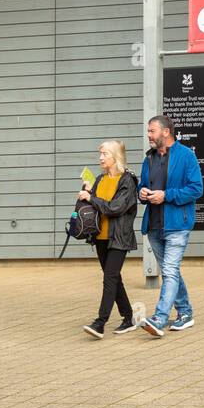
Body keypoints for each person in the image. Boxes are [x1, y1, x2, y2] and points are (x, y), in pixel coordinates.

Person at [137, 114, 204, 337]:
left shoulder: (186, 156)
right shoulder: (149, 159)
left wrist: (166, 195)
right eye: (148, 131)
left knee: (170, 270)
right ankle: (185, 313)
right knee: (170, 271)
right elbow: (143, 186)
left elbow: (196, 189)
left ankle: (159, 317)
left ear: (166, 132)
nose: (148, 135)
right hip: (154, 226)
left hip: (177, 225)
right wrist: (143, 193)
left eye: (152, 131)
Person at [78, 140, 140, 339]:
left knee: (109, 278)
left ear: (115, 157)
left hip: (119, 237)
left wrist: (91, 198)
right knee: (114, 278)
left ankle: (100, 323)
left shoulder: (127, 181)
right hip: (101, 237)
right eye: (100, 154)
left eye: (105, 154)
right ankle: (129, 317)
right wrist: (88, 192)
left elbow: (115, 208)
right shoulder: (100, 179)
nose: (101, 158)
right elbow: (96, 205)